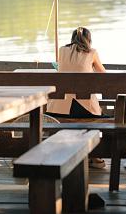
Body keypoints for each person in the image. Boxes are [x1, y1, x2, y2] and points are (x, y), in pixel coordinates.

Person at [46, 27, 109, 168]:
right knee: (97, 115)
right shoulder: (91, 52)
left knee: (81, 111)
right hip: (82, 108)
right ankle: (93, 155)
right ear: (89, 40)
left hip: (57, 108)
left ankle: (77, 153)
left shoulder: (61, 50)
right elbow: (104, 77)